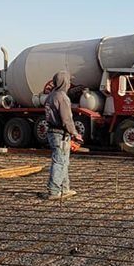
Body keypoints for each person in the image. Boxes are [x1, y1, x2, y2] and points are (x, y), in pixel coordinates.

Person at [43, 71, 82, 200]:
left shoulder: (51, 96)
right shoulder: (62, 97)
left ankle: (64, 189)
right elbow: (67, 120)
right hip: (60, 133)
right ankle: (54, 191)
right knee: (60, 161)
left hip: (53, 132)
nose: (70, 83)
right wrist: (75, 133)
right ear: (64, 82)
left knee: (63, 161)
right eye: (68, 81)